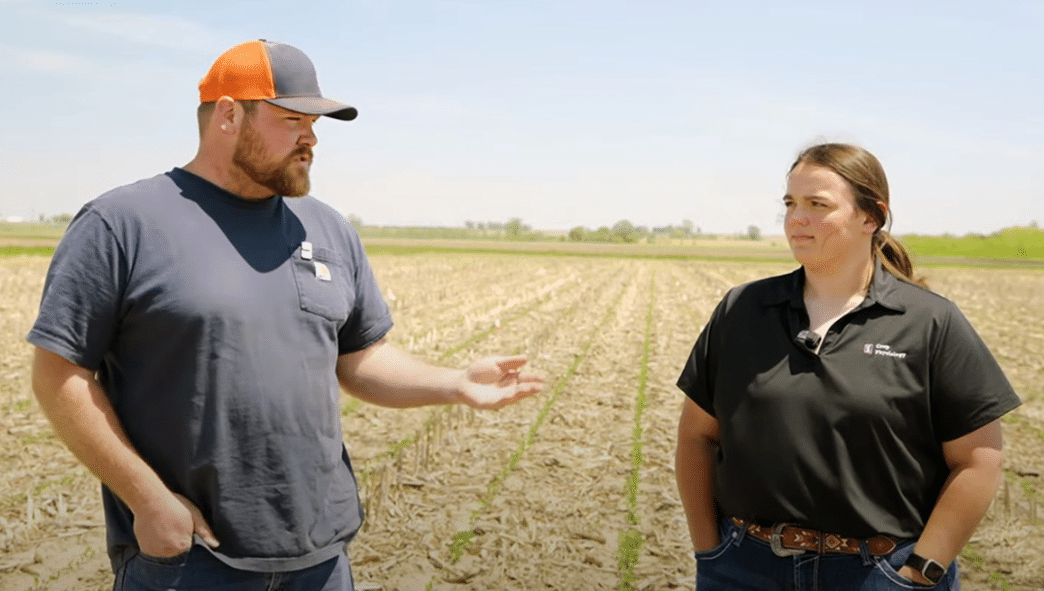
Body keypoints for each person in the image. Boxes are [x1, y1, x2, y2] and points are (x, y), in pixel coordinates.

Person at [28, 39, 543, 591]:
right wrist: (147, 499)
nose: (312, 138)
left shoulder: (325, 228)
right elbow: (60, 375)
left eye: (316, 122)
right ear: (228, 114)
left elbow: (360, 356)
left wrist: (456, 382)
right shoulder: (123, 224)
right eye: (293, 118)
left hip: (320, 557)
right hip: (191, 558)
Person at [674, 142, 1021, 590]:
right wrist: (711, 553)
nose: (796, 218)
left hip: (879, 574)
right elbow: (696, 435)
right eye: (790, 203)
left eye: (817, 205)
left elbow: (979, 460)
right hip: (746, 569)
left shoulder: (929, 322)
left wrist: (921, 571)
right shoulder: (743, 310)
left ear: (870, 217)